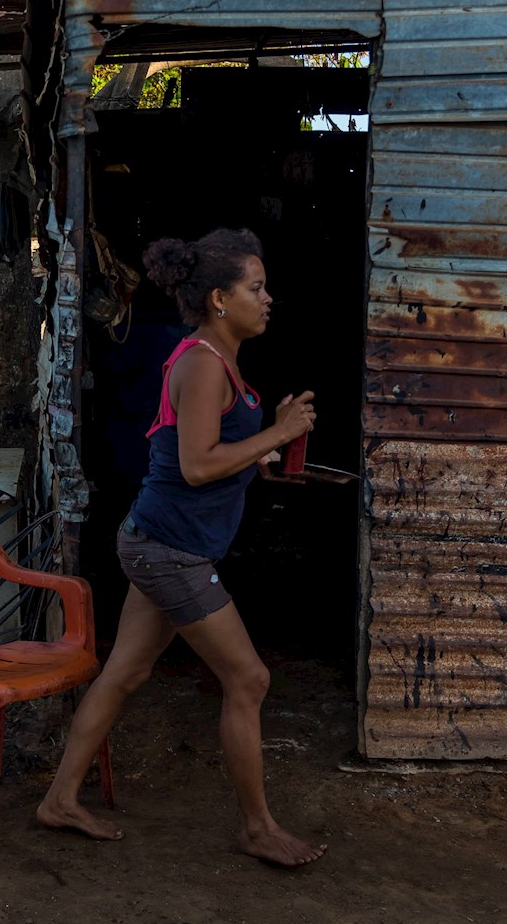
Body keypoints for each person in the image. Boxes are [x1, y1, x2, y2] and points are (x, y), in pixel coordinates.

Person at [36, 227, 326, 867]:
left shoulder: (219, 360)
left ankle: (59, 799)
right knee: (248, 679)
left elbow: (213, 458)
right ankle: (256, 829)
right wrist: (273, 431)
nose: (268, 298)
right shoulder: (200, 363)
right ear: (220, 299)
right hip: (170, 552)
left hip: (160, 543)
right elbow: (197, 466)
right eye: (256, 288)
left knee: (126, 672)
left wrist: (267, 456)